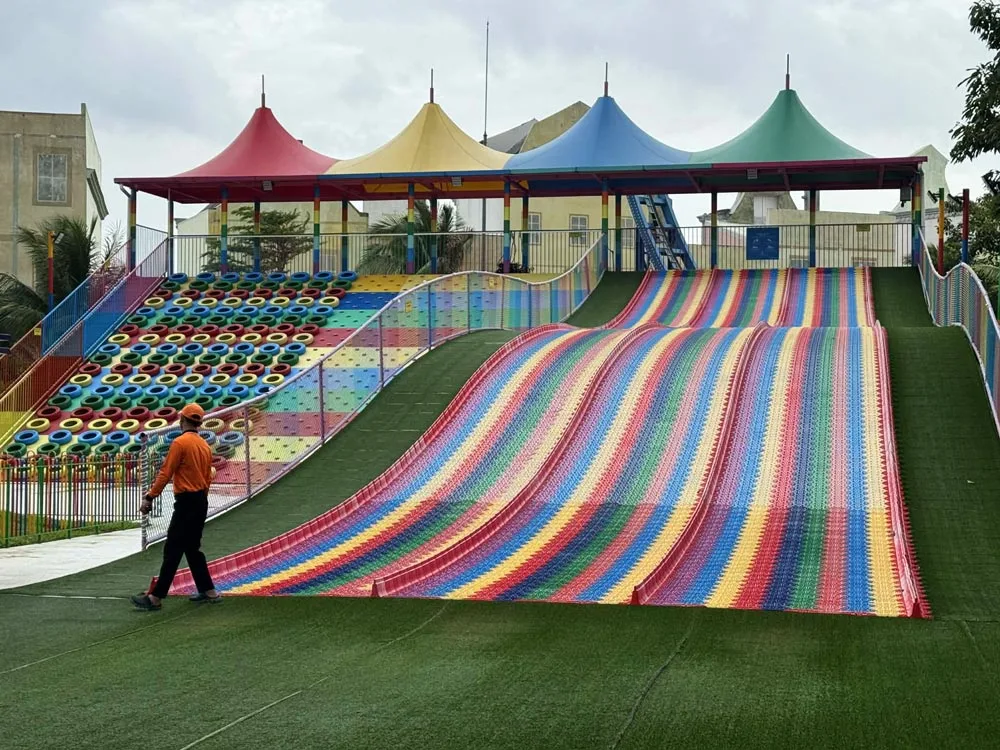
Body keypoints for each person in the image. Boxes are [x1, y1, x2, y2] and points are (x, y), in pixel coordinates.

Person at [131, 403, 221, 610]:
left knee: (173, 548)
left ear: (183, 420)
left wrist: (150, 497)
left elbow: (166, 473)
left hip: (186, 502)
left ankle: (156, 598)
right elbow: (208, 477)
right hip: (200, 500)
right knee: (192, 548)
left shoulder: (180, 443)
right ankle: (209, 591)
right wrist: (201, 499)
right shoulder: (204, 446)